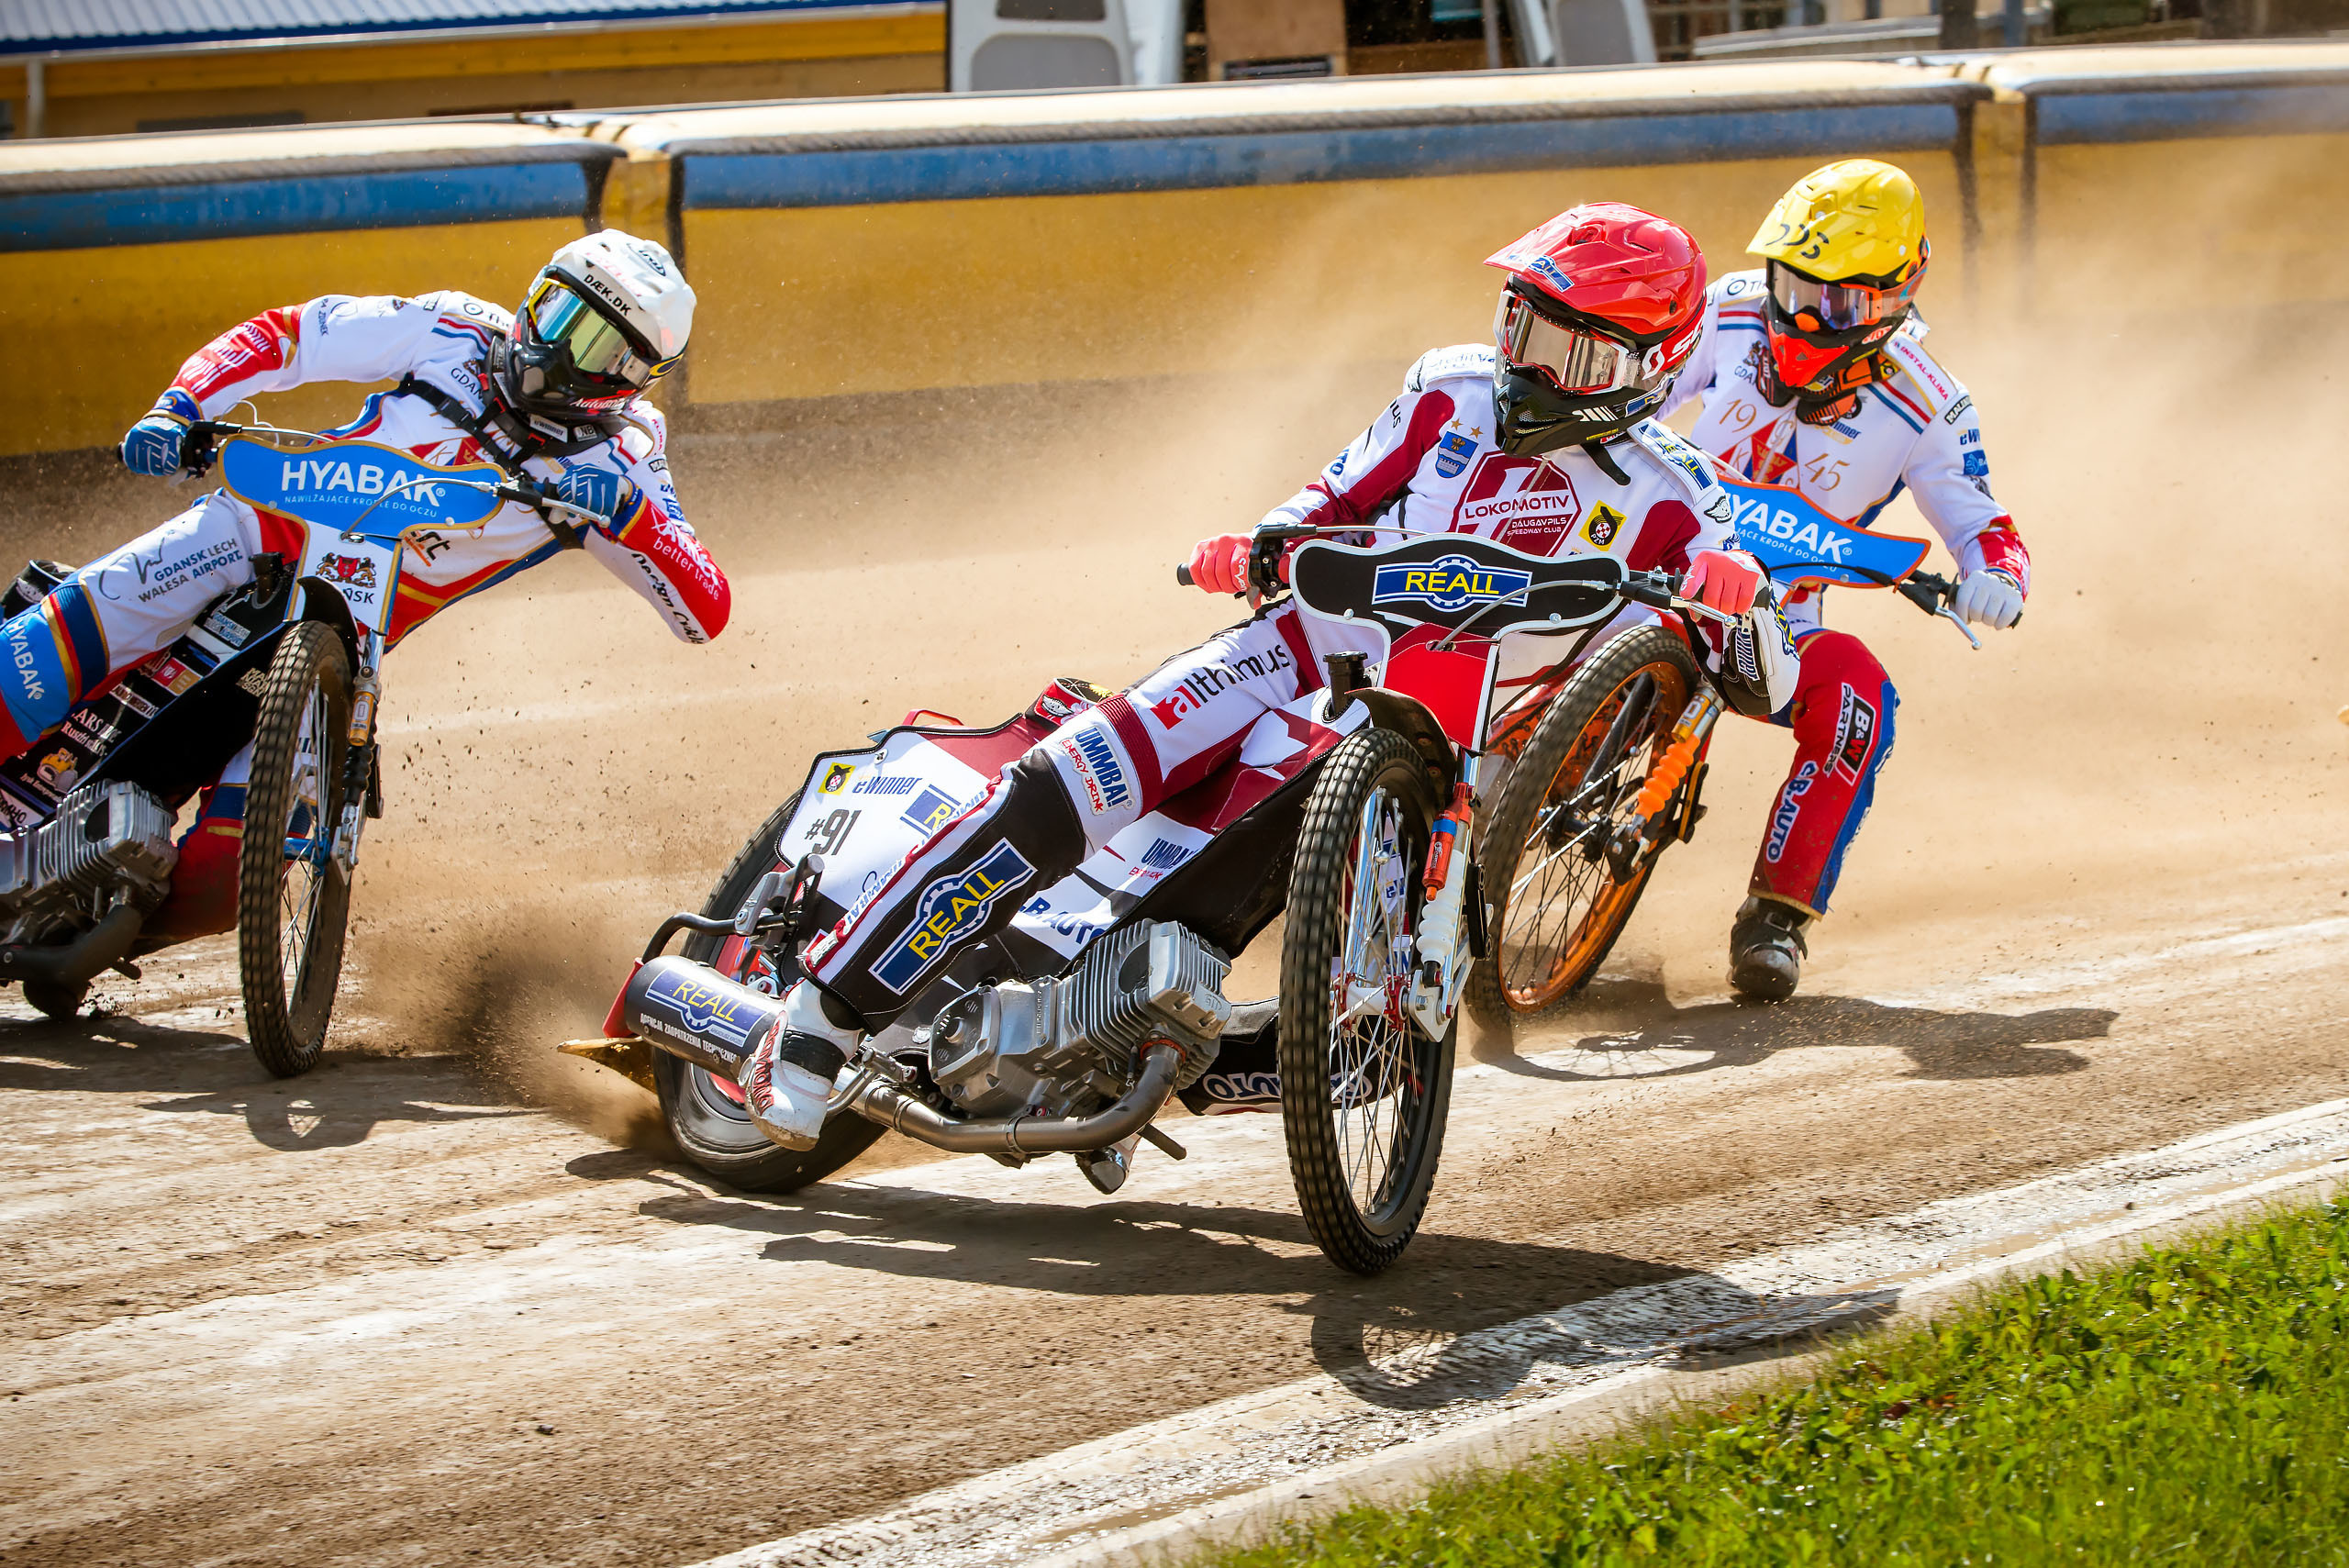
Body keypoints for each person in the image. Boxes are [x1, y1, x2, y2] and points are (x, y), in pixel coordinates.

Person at [739, 202, 1796, 1151]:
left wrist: (1739, 601)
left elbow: (1761, 682)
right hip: (1292, 648)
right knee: (1067, 782)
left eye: (1576, 354)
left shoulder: (1679, 493)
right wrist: (1259, 544)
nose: (1533, 369)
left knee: (1349, 1034)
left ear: (1652, 367)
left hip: (1446, 744)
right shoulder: (1447, 390)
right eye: (1525, 329)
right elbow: (1326, 497)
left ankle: (1144, 1051)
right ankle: (818, 1018)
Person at [0, 228, 729, 922]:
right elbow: (288, 335)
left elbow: (705, 610)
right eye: (561, 311)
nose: (562, 347)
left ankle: (93, 919)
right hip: (252, 526)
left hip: (346, 642)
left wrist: (634, 519)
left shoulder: (627, 458)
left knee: (223, 888)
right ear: (537, 293)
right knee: (29, 657)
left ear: (634, 381)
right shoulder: (454, 327)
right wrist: (181, 407)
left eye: (598, 345)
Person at [1661, 159, 2031, 1001]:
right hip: (1646, 567)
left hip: (1773, 622)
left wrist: (1996, 579)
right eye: (1789, 282)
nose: (1798, 313)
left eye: (1833, 300)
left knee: (1861, 696)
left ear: (1895, 296)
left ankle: (1776, 917)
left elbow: (1988, 530)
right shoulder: (1724, 312)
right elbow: (1634, 404)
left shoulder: (1932, 405)